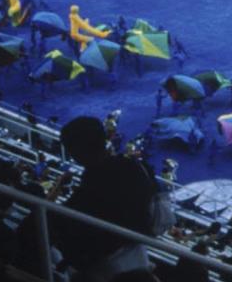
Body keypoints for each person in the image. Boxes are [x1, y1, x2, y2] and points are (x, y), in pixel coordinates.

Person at [58, 115, 160, 282]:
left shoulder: (90, 185)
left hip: (105, 264)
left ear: (76, 151)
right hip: (137, 251)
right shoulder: (136, 167)